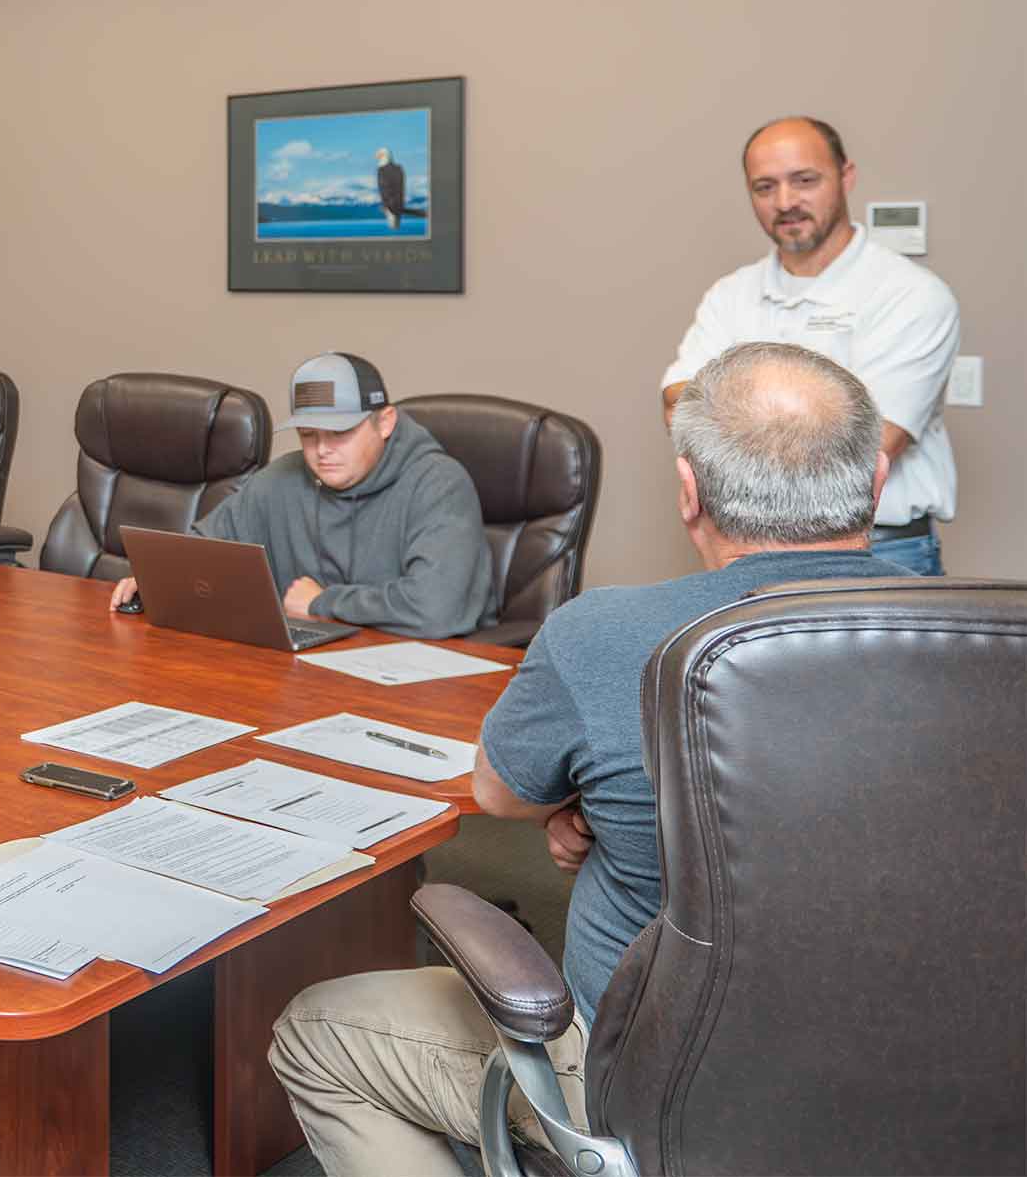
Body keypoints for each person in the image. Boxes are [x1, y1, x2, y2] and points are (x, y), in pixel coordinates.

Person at [268, 343, 911, 1174]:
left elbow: (498, 796)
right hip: (934, 1079)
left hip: (652, 1081)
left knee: (316, 1032)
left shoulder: (600, 634)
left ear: (687, 492)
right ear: (875, 482)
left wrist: (597, 802)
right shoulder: (997, 643)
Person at [664, 116, 959, 574]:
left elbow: (875, 444)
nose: (785, 202)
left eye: (804, 180)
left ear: (846, 176)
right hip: (744, 551)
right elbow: (676, 405)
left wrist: (730, 419)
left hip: (879, 550)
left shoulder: (911, 295)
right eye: (765, 187)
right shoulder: (730, 295)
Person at [109, 353, 493, 640]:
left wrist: (321, 603)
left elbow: (436, 608)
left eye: (339, 433)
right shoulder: (282, 478)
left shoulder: (440, 485)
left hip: (430, 680)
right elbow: (201, 550)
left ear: (385, 422)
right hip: (313, 672)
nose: (322, 450)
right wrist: (156, 579)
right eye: (308, 435)